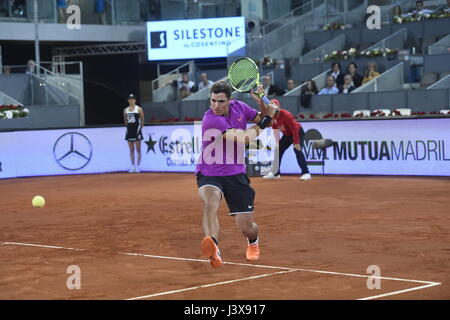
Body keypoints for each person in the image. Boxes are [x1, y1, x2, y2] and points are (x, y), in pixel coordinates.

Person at [196, 81, 278, 268]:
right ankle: (213, 246)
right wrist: (268, 118)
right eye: (213, 101)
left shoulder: (240, 107)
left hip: (235, 173)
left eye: (221, 101)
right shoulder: (211, 119)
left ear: (230, 100)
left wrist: (262, 105)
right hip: (210, 171)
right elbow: (245, 138)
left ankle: (253, 241)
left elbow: (262, 119)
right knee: (210, 202)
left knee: (246, 228)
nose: (216, 106)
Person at [262, 99, 311, 181]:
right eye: (270, 106)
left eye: (273, 105)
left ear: (278, 107)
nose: (271, 108)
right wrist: (277, 142)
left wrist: (296, 142)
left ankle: (306, 173)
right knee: (278, 149)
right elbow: (275, 129)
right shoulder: (272, 117)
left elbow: (295, 128)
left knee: (297, 149)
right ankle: (275, 173)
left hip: (297, 132)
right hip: (287, 135)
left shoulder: (286, 114)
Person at [124, 94, 145, 173]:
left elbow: (142, 121)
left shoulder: (139, 109)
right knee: (131, 149)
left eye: (133, 99)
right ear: (128, 100)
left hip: (137, 131)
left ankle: (138, 166)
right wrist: (129, 128)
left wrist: (138, 129)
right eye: (130, 99)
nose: (131, 100)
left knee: (138, 149)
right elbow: (125, 121)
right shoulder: (125, 110)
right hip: (129, 131)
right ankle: (132, 165)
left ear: (135, 100)